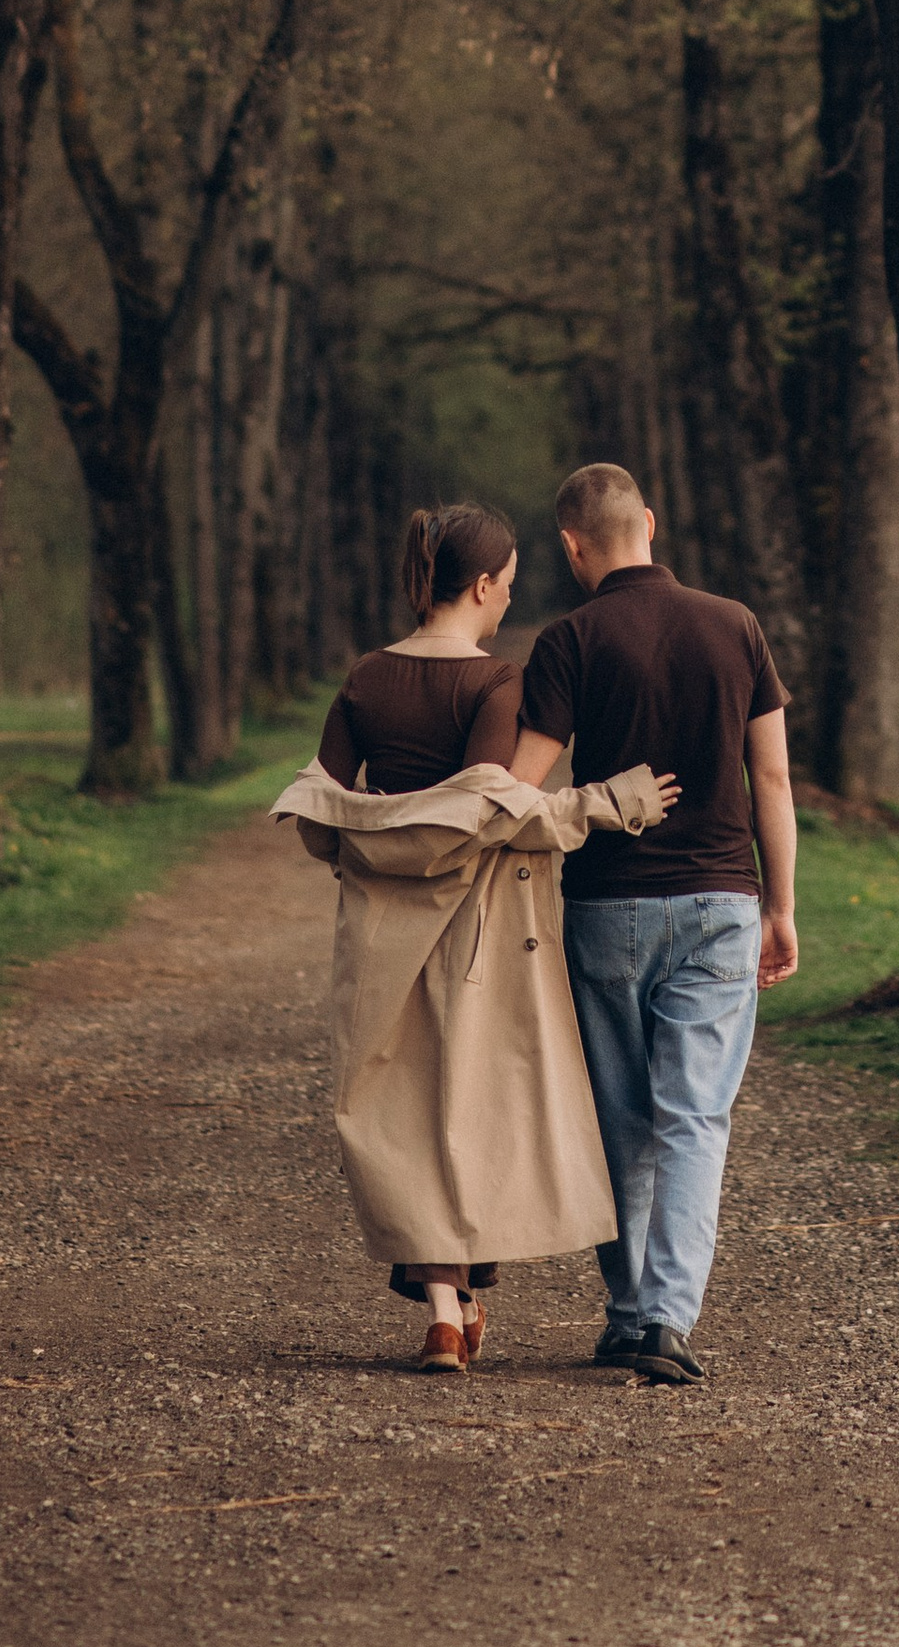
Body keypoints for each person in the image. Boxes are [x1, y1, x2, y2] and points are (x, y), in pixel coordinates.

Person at [283, 501, 678, 1374]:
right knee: (468, 1110)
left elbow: (321, 810)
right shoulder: (496, 683)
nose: (508, 602)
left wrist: (374, 842)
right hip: (477, 930)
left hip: (378, 929)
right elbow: (493, 813)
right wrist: (609, 803)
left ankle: (445, 1310)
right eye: (507, 586)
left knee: (402, 1112)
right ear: (485, 584)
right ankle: (453, 1306)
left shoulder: (364, 678)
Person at [510, 462, 798, 1390]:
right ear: (652, 523)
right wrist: (782, 906)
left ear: (571, 546)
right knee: (694, 1117)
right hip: (722, 903)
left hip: (607, 910)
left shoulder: (569, 640)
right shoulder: (736, 625)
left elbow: (518, 791)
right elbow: (772, 778)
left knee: (621, 1120)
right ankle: (668, 1319)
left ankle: (629, 1313)